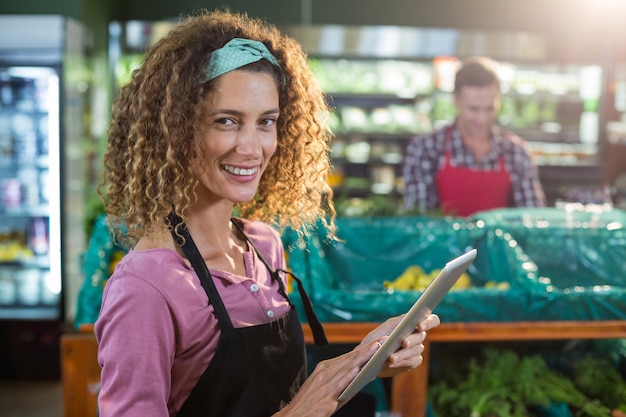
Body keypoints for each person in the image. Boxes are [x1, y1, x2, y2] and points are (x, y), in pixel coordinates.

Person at [94, 9, 440, 417]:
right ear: (175, 128)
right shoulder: (146, 288)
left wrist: (361, 362)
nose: (252, 147)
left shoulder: (263, 247)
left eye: (266, 122)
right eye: (226, 121)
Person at [402, 56, 546, 217]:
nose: (482, 119)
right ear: (456, 100)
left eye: (489, 109)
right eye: (474, 109)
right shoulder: (426, 148)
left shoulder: (516, 152)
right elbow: (419, 219)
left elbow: (532, 219)